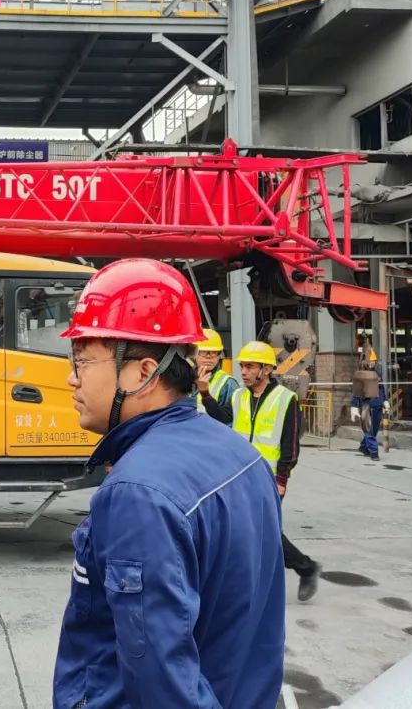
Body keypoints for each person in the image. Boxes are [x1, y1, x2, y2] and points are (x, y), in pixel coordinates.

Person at [53, 259, 285, 709]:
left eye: (82, 359)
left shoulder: (138, 493)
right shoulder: (242, 456)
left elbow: (162, 680)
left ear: (143, 372)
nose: (71, 377)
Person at [230, 341, 322, 602]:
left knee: (263, 531)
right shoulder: (239, 397)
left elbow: (291, 442)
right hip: (240, 477)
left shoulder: (284, 399)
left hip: (268, 479)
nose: (244, 372)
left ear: (266, 369)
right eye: (242, 366)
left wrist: (282, 478)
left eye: (250, 367)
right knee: (247, 529)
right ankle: (300, 568)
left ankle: (304, 568)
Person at [195, 328, 239, 425]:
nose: (209, 356)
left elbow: (229, 422)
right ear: (195, 352)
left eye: (214, 352)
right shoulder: (185, 379)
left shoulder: (228, 384)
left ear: (219, 355)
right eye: (204, 351)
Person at [351, 350, 388, 461]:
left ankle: (363, 447)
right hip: (366, 406)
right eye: (371, 361)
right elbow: (356, 392)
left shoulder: (377, 374)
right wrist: (354, 406)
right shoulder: (360, 375)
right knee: (368, 430)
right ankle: (374, 452)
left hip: (377, 405)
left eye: (374, 361)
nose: (372, 363)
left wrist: (385, 400)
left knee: (374, 430)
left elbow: (381, 388)